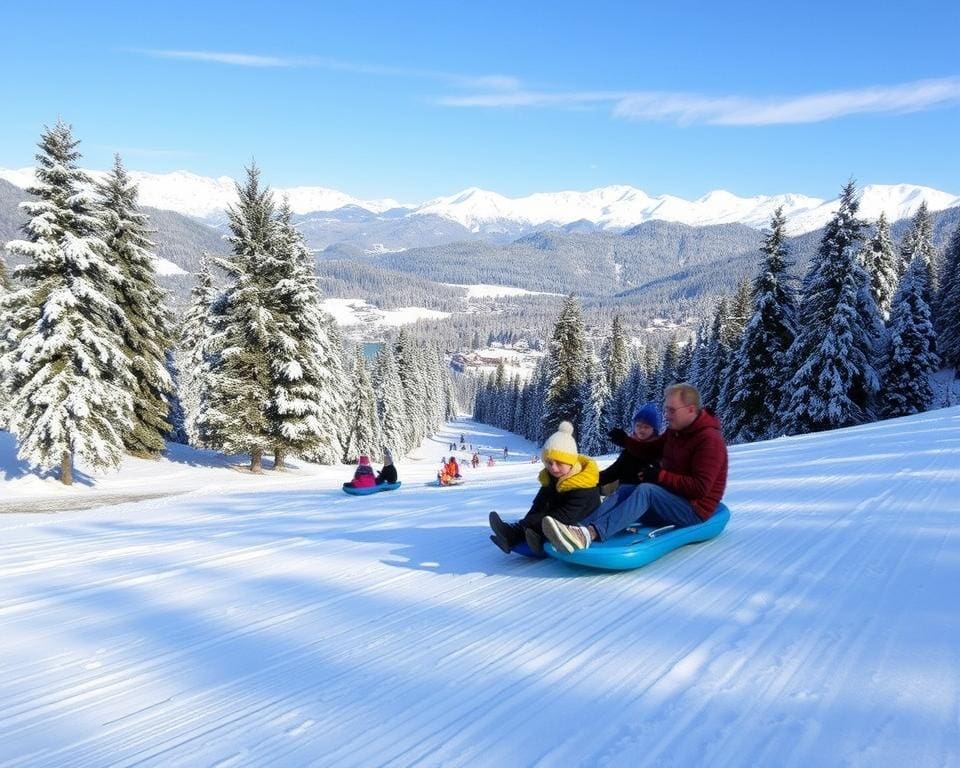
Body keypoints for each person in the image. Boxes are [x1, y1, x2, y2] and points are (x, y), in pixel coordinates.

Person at [542, 383, 728, 553]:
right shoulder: (676, 432)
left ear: (690, 410)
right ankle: (576, 528)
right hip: (672, 499)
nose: (667, 415)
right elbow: (649, 450)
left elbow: (700, 488)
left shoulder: (709, 440)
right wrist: (625, 440)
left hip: (693, 510)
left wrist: (660, 476)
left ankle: (590, 534)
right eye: (666, 409)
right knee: (625, 490)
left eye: (671, 410)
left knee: (646, 490)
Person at [489, 421, 600, 556]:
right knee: (538, 516)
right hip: (559, 517)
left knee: (545, 524)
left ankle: (537, 539)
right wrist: (524, 524)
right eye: (549, 462)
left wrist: (528, 524)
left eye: (559, 463)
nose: (553, 467)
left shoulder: (584, 484)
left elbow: (566, 516)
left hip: (582, 524)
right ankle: (516, 538)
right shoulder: (552, 477)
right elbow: (538, 504)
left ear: (571, 462)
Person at [598, 403, 662, 495]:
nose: (641, 430)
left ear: (654, 430)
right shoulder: (628, 451)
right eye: (638, 426)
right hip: (624, 496)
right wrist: (587, 480)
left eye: (646, 427)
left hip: (649, 499)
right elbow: (612, 472)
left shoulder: (659, 449)